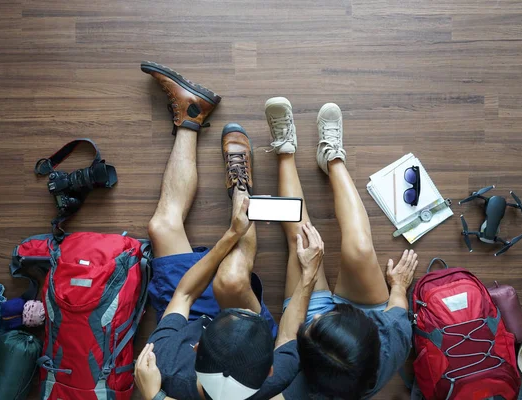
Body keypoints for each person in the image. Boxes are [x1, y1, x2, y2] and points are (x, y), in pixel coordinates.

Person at [133, 63, 324, 400]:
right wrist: (308, 276)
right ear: (270, 370)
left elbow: (185, 296)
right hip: (229, 343)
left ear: (195, 350)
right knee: (232, 279)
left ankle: (191, 114)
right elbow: (289, 336)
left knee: (161, 227)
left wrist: (154, 396)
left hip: (188, 318)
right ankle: (241, 190)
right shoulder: (276, 383)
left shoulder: (168, 363)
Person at [264, 97, 418, 400]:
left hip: (308, 330)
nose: (322, 315)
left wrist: (308, 276)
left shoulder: (289, 383)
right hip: (355, 327)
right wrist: (398, 286)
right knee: (360, 249)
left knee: (299, 238)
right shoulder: (392, 344)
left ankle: (284, 151)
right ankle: (332, 158)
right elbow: (397, 309)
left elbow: (286, 335)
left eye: (317, 323)